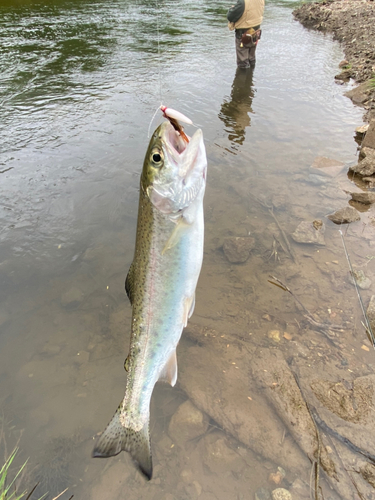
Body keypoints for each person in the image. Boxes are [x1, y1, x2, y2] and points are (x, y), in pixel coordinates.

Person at [227, 0, 265, 69]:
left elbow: (230, 16)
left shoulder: (243, 2)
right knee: (251, 59)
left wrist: (231, 9)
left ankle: (242, 78)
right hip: (256, 32)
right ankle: (251, 77)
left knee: (243, 63)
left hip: (243, 35)